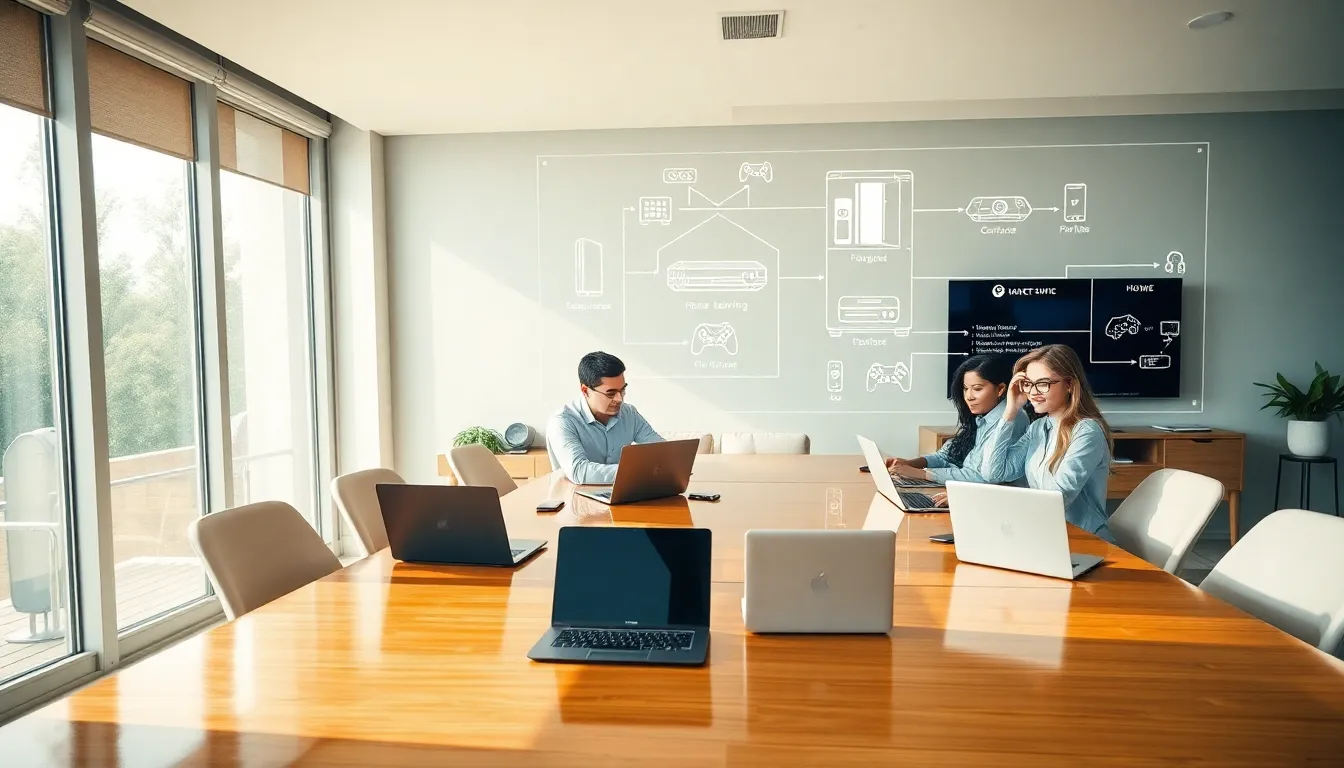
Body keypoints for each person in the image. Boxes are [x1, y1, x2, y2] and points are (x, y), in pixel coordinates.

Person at [977, 344, 1116, 542]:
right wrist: (1010, 412)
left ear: (1069, 384)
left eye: (1042, 383)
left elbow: (1057, 498)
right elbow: (993, 472)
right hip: (1045, 535)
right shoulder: (1038, 428)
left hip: (1084, 541)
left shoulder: (1086, 431)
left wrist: (996, 505)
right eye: (1028, 384)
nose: (1033, 392)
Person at [885, 354, 1028, 503]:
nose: (968, 396)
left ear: (1000, 389)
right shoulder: (983, 415)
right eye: (966, 389)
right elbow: (947, 456)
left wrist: (923, 474)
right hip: (973, 495)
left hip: (994, 503)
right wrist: (909, 464)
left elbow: (985, 477)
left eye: (977, 389)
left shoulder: (1011, 420)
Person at [546, 351, 663, 484]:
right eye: (611, 393)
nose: (619, 399)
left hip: (621, 495)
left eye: (622, 390)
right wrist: (637, 472)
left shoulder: (629, 413)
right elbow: (579, 472)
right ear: (585, 390)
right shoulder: (562, 421)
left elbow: (662, 451)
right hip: (574, 498)